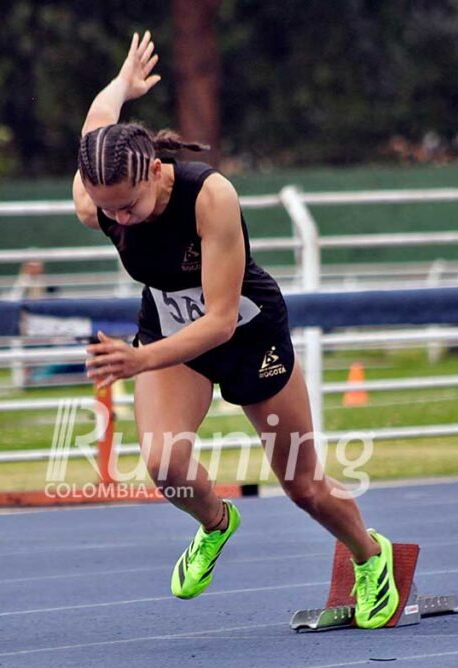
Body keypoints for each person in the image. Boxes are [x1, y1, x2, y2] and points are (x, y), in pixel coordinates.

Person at [73, 31, 398, 628]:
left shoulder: (210, 196)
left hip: (246, 333)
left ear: (153, 171)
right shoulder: (96, 194)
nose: (117, 219)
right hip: (171, 331)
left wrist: (140, 360)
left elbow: (220, 321)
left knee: (303, 486)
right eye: (106, 209)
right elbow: (98, 120)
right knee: (164, 465)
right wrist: (122, 85)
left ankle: (371, 556)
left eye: (128, 207)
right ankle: (216, 523)